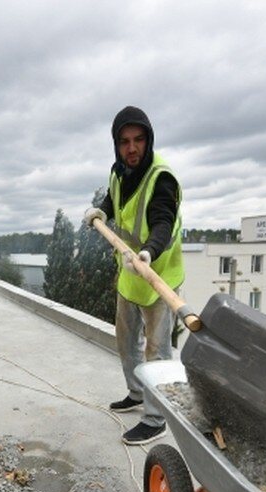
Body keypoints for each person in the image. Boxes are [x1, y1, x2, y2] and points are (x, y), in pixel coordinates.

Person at [83, 106, 184, 445]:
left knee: (157, 351)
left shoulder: (161, 178)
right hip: (129, 274)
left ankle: (156, 418)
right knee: (126, 342)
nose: (132, 148)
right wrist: (102, 210)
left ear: (148, 140)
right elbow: (115, 198)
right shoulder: (119, 170)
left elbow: (162, 222)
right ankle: (136, 393)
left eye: (139, 140)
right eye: (125, 141)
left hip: (158, 276)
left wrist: (149, 252)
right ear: (116, 144)